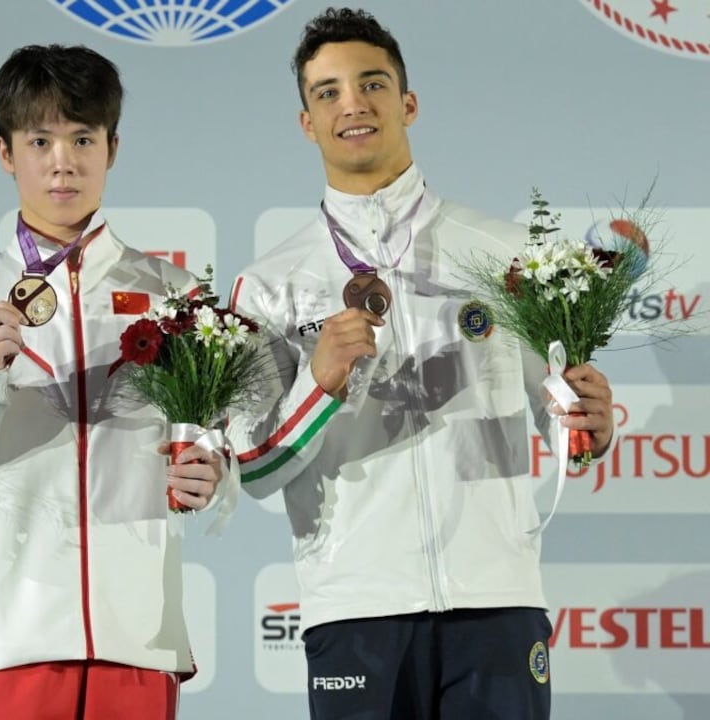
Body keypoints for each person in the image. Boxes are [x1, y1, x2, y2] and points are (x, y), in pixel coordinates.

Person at [226, 8, 615, 719]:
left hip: (496, 600)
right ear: (307, 123)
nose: (353, 104)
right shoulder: (270, 284)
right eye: (328, 93)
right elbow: (251, 468)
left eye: (372, 84)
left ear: (407, 103)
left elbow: (560, 417)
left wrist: (589, 424)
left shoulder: (503, 254)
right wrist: (318, 384)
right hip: (356, 609)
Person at [0, 44, 229, 720]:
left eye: (83, 137)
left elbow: (218, 440)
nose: (63, 161)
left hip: (138, 631)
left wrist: (212, 472)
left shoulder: (174, 297)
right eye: (40, 139)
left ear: (112, 147)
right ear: (5, 152)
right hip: (15, 632)